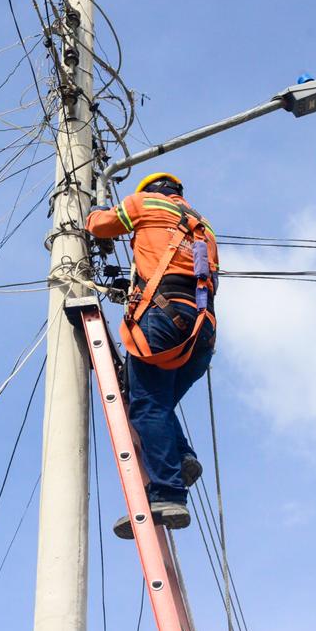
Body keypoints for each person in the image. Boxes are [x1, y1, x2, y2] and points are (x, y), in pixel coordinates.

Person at [85, 172, 220, 538]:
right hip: (201, 330)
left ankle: (168, 493)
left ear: (149, 189)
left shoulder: (144, 203)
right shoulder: (202, 225)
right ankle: (181, 455)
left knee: (146, 405)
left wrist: (94, 208)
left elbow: (101, 225)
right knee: (156, 404)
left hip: (161, 317)